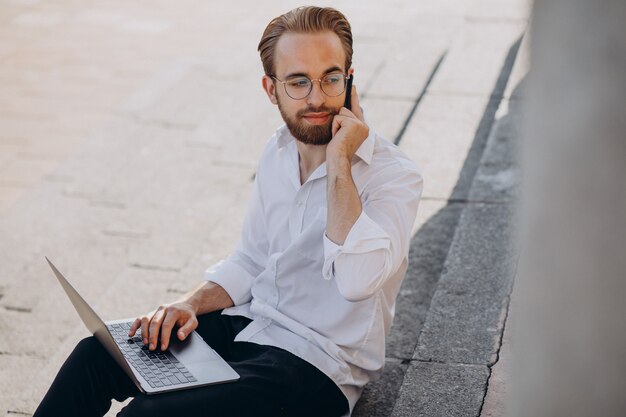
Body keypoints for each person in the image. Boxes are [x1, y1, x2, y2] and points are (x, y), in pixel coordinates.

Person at [33, 6, 422, 417]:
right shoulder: (277, 152)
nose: (317, 98)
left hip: (316, 367)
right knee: (96, 356)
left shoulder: (393, 176)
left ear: (350, 80)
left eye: (331, 78)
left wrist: (340, 160)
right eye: (298, 81)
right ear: (271, 90)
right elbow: (252, 258)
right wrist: (187, 304)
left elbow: (358, 280)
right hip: (250, 326)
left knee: (146, 415)